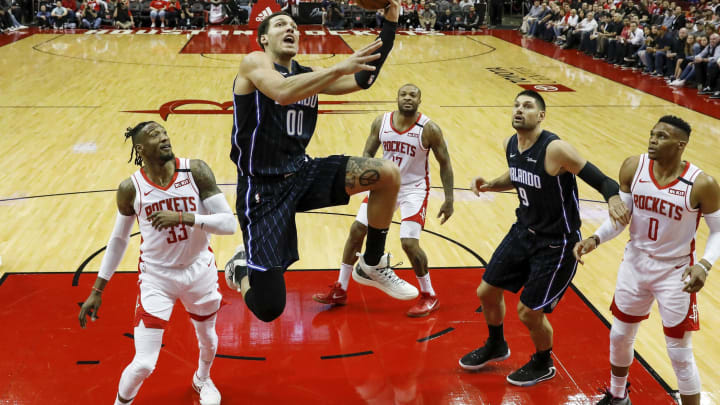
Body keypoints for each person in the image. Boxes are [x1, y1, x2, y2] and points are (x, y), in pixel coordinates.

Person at [223, 6, 408, 324]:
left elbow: (363, 79)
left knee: (387, 174)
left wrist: (390, 23)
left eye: (294, 25)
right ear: (263, 38)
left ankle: (372, 263)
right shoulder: (254, 62)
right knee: (269, 308)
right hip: (261, 190)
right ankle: (240, 268)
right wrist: (337, 68)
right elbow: (281, 93)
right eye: (281, 24)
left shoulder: (307, 73)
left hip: (302, 173)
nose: (290, 28)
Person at [458, 90, 630, 386]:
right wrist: (490, 184)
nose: (519, 110)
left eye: (527, 106)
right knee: (486, 291)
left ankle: (543, 362)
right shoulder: (510, 144)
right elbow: (516, 175)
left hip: (558, 243)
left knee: (527, 312)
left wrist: (613, 198)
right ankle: (497, 344)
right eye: (515, 105)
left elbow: (601, 179)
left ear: (541, 115)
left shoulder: (556, 149)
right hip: (523, 231)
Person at [78, 121, 236, 405]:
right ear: (140, 149)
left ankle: (202, 379)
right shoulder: (131, 189)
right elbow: (118, 241)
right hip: (157, 278)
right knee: (144, 363)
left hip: (199, 270)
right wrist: (97, 290)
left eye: (164, 132)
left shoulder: (195, 171)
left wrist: (185, 217)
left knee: (209, 339)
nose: (164, 136)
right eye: (154, 134)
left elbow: (228, 224)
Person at [573, 116, 720, 405]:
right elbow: (621, 219)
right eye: (652, 134)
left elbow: (718, 230)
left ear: (681, 145)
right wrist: (595, 239)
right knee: (619, 335)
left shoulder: (702, 183)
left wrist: (704, 264)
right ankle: (617, 396)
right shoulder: (634, 167)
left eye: (662, 136)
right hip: (636, 264)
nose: (653, 139)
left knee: (678, 351)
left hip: (676, 272)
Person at [312, 84, 454, 317]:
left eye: (413, 95)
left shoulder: (429, 129)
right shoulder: (382, 122)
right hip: (385, 186)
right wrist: (365, 179)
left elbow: (445, 163)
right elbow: (367, 154)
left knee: (409, 243)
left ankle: (429, 295)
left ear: (420, 100)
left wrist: (449, 199)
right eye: (403, 94)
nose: (407, 98)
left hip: (413, 190)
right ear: (397, 98)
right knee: (357, 231)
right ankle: (341, 289)